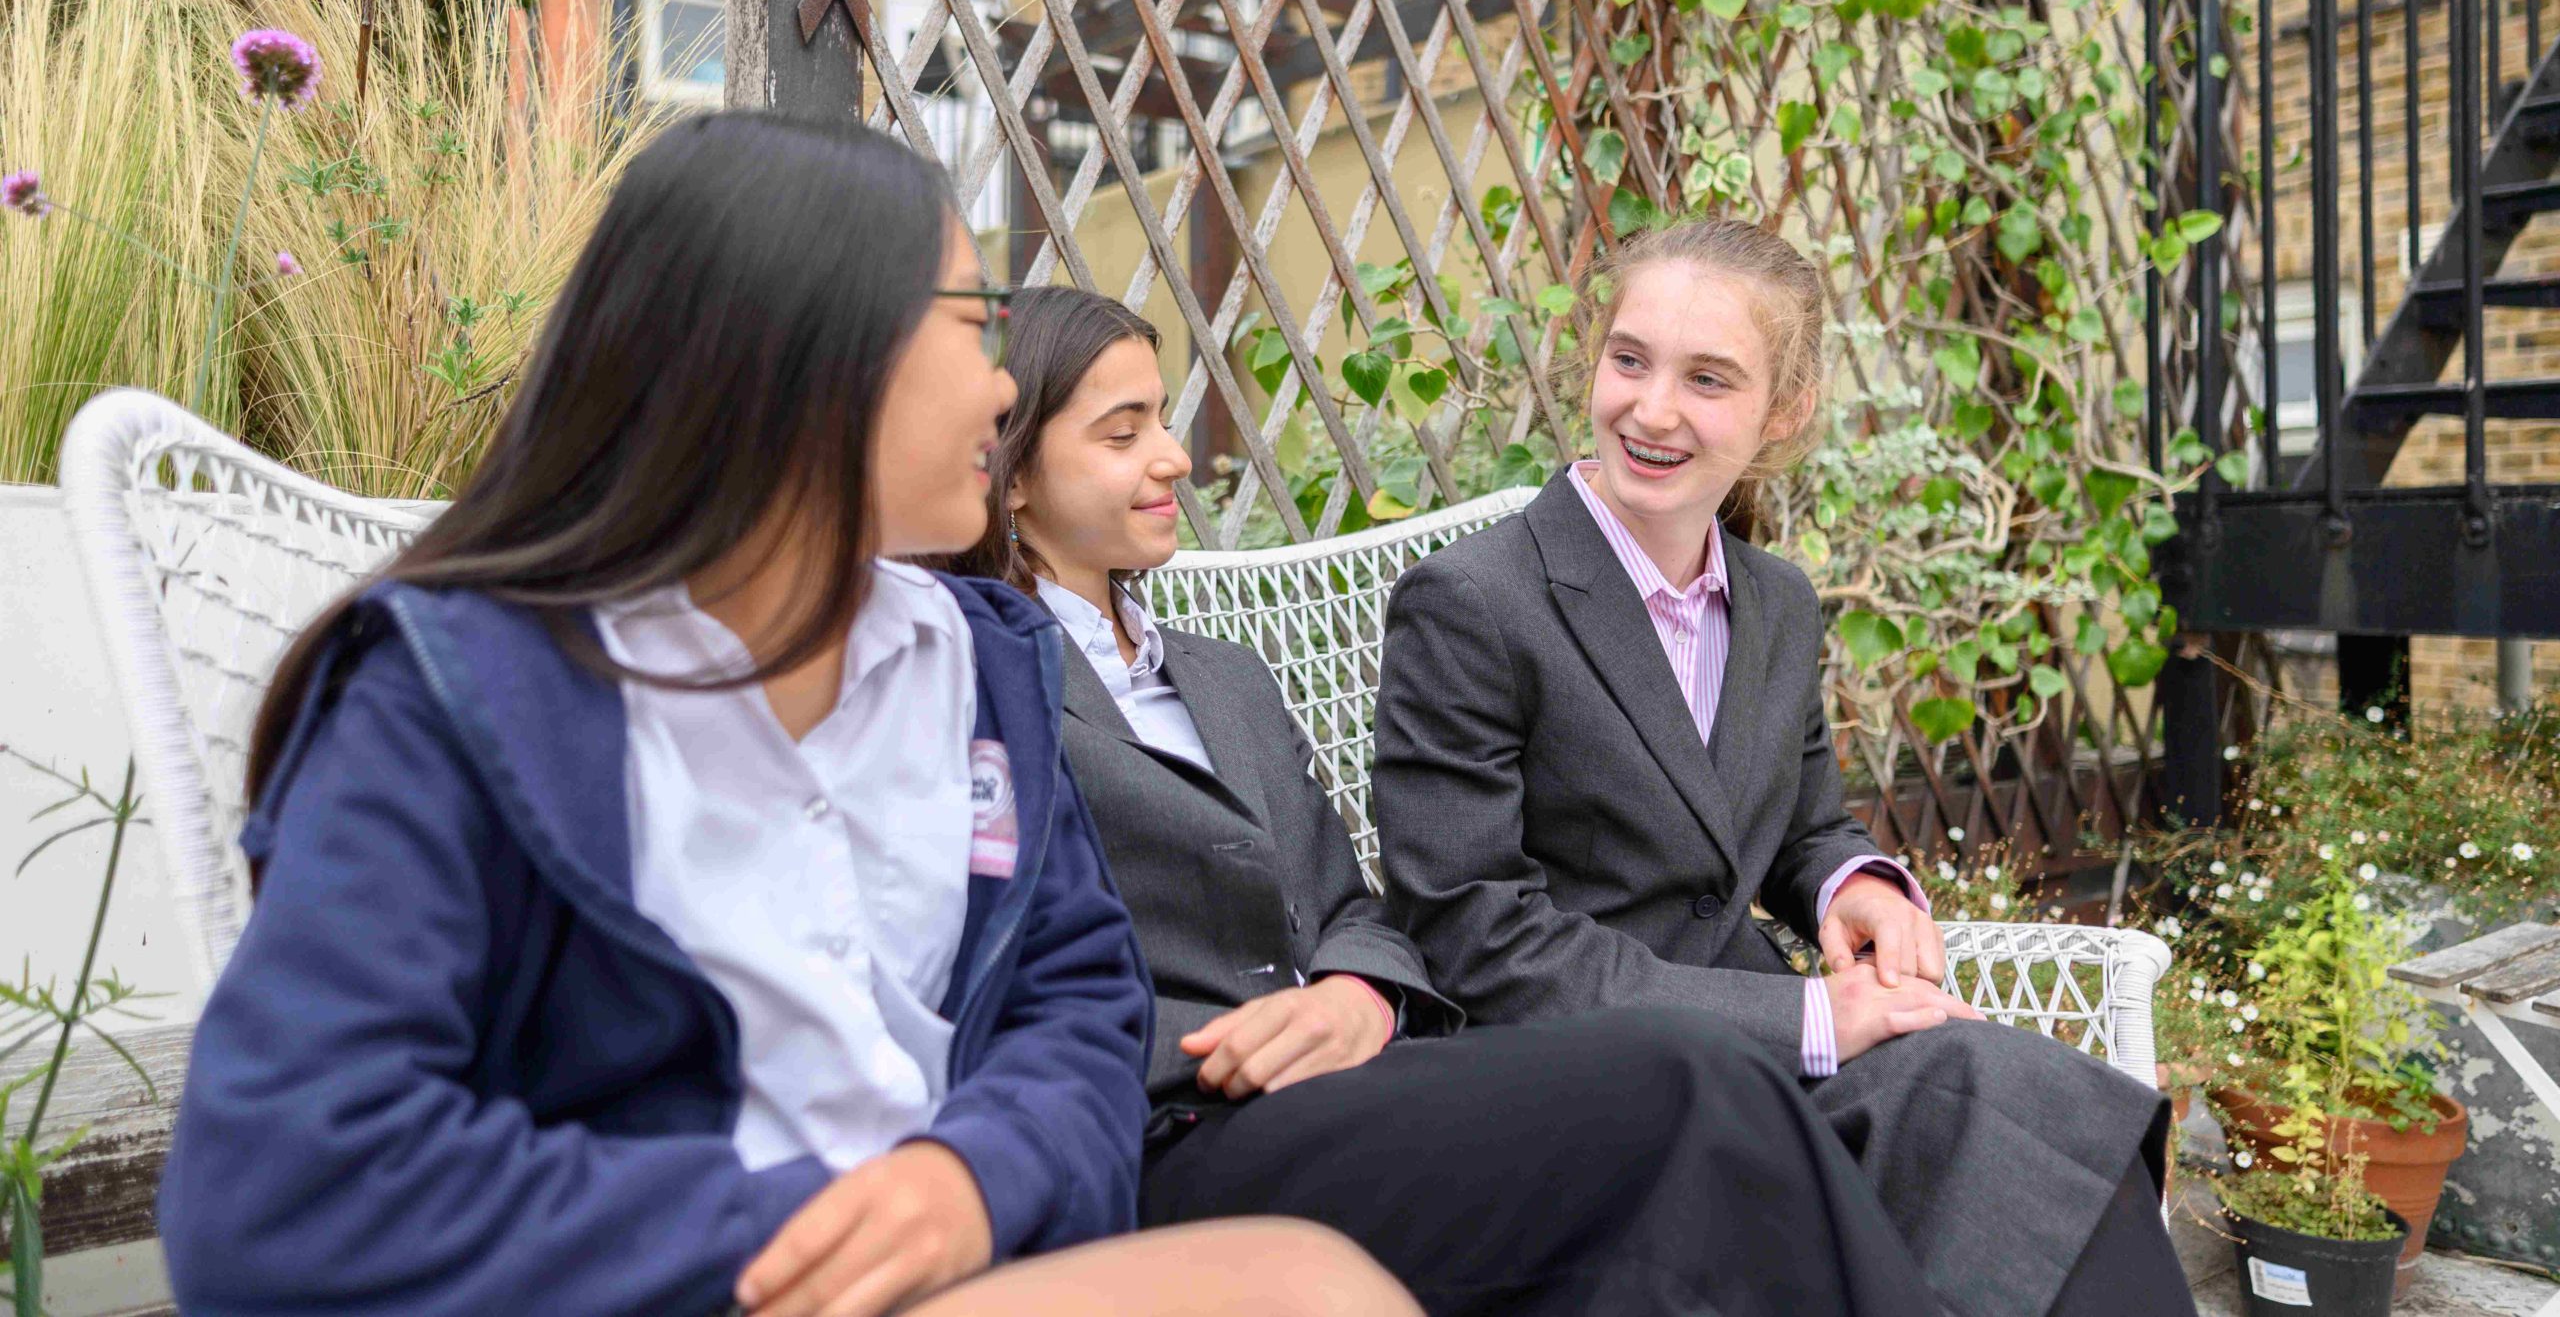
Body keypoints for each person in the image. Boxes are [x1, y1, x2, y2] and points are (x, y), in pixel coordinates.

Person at [155, 113, 1417, 1317]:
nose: (998, 395)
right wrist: (797, 1226)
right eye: (976, 327)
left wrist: (970, 1180)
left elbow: (1080, 1006)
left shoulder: (983, 667)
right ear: (802, 351)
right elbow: (285, 1186)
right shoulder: (464, 690)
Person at [942, 284, 1938, 1317]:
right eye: (1123, 432)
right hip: (1178, 1126)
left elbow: (1354, 907)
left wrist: (1359, 993)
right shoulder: (971, 677)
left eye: (1163, 416)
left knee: (1724, 1140)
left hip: (1359, 1080)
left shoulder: (1220, 673)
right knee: (1684, 1079)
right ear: (1011, 475)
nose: (1174, 455)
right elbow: (985, 956)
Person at [1371, 217, 2196, 1317]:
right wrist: (1813, 1023)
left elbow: (1802, 824)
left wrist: (1855, 883)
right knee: (1981, 1104)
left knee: (2029, 1100)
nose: (1652, 408)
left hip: (1756, 1053)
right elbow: (1471, 933)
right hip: (1583, 1082)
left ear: (1783, 413)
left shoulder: (1773, 601)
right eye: (1630, 359)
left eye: (1708, 378)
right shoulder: (1476, 601)